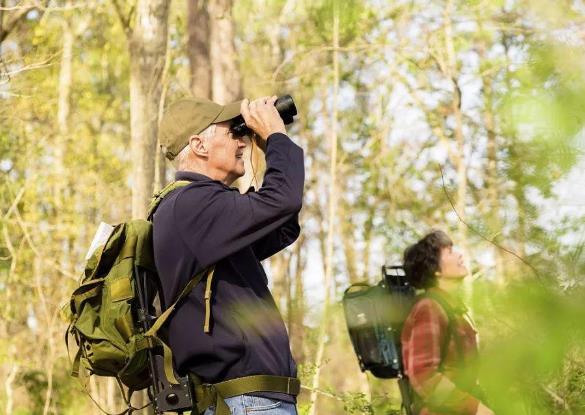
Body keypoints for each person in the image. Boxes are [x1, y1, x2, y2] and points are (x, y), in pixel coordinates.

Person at [153, 95, 304, 415]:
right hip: (248, 403)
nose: (243, 141)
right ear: (199, 145)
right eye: (233, 132)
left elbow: (281, 227)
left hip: (245, 401)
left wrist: (266, 145)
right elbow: (283, 202)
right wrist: (277, 137)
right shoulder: (193, 204)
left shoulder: (192, 208)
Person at [400, 230, 494, 415]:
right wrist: (475, 409)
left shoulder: (452, 308)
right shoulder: (429, 308)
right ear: (435, 268)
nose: (459, 255)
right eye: (450, 252)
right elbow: (423, 374)